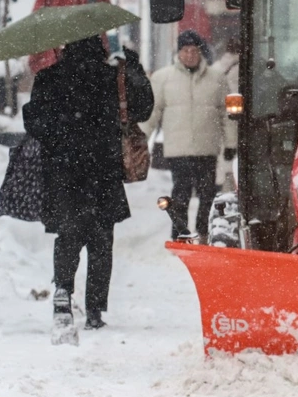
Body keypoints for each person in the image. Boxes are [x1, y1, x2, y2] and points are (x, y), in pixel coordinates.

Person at [23, 38, 153, 331]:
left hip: (64, 172)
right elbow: (143, 109)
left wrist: (59, 137)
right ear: (100, 47)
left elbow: (33, 124)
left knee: (68, 235)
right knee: (101, 241)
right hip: (103, 170)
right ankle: (94, 309)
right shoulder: (111, 77)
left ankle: (63, 291)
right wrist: (133, 67)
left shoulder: (49, 78)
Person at [143, 30, 235, 242]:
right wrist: (141, 139)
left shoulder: (217, 78)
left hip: (207, 147)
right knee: (181, 194)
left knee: (207, 194)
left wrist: (231, 143)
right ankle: (180, 234)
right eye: (186, 50)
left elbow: (226, 114)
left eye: (194, 50)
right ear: (179, 53)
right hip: (178, 148)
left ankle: (203, 232)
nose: (190, 55)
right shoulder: (163, 78)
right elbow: (153, 111)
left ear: (200, 52)